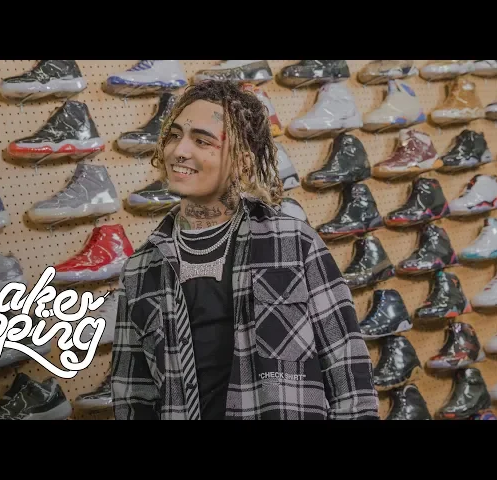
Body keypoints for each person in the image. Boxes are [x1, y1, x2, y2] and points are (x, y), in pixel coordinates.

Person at [110, 79, 379, 420]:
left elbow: (349, 374)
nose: (179, 150)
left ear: (243, 162)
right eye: (174, 135)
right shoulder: (140, 268)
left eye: (202, 141)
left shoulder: (294, 244)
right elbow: (133, 395)